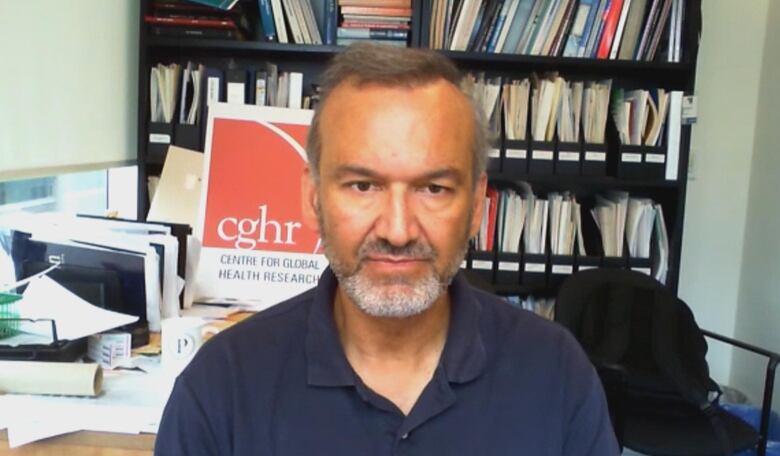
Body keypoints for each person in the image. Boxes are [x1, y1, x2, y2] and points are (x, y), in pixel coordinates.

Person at [155, 43, 619, 455]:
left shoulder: (557, 374)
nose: (398, 231)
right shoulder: (221, 387)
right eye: (362, 185)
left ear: (476, 205)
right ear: (313, 199)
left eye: (434, 188)